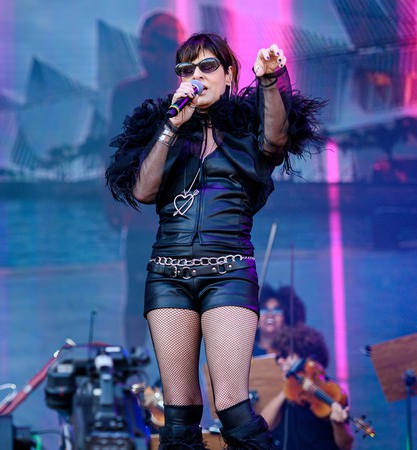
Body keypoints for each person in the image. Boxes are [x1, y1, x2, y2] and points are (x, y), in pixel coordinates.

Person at [105, 32, 326, 449]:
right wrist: (171, 126)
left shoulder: (246, 128)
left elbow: (276, 140)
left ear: (228, 74)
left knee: (231, 404)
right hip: (167, 276)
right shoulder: (166, 129)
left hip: (228, 273)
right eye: (186, 69)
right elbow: (143, 191)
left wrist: (270, 81)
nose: (197, 76)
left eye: (208, 67)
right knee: (179, 413)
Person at [106, 12, 184, 350]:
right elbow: (114, 152)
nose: (146, 55)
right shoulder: (127, 93)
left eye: (154, 48)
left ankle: (179, 376)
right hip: (142, 216)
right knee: (137, 295)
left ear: (174, 49)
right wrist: (111, 201)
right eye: (143, 47)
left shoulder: (194, 93)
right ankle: (135, 371)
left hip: (184, 216)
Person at [260, 325, 354, 450]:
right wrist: (287, 389)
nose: (281, 361)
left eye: (285, 355)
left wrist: (338, 424)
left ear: (305, 355)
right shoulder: (287, 390)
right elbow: (263, 427)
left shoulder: (330, 389)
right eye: (278, 357)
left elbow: (346, 445)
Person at [254, 285, 306, 356]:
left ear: (287, 317)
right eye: (264, 309)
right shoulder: (244, 351)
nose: (270, 315)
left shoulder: (292, 355)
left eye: (277, 310)